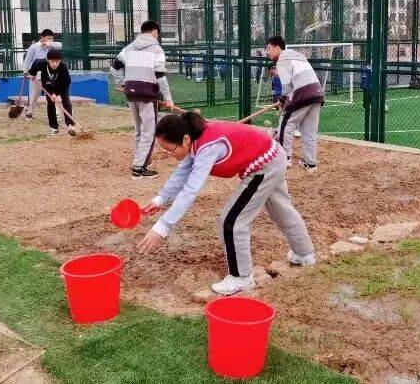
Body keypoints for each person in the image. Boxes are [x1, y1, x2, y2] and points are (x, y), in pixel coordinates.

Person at [137, 111, 316, 295]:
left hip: (264, 166)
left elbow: (191, 190)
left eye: (169, 150)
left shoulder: (208, 147)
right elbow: (183, 170)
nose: (168, 154)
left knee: (232, 221)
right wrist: (160, 199)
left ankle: (241, 278)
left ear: (185, 140)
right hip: (273, 155)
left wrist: (162, 227)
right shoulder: (194, 139)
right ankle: (304, 254)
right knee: (281, 210)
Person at [111, 20, 174, 178]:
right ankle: (139, 168)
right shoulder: (157, 49)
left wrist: (122, 83)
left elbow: (114, 68)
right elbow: (160, 75)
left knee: (139, 130)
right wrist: (168, 98)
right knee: (149, 131)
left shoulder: (129, 47)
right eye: (157, 34)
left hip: (131, 92)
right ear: (154, 32)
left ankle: (141, 161)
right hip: (147, 94)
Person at [267, 35, 323, 172]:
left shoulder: (283, 59)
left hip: (302, 92)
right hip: (316, 92)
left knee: (286, 124)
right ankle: (310, 164)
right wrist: (284, 100)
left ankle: (284, 158)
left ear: (277, 47)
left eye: (268, 49)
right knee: (309, 131)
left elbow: (287, 85)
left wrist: (283, 99)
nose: (267, 53)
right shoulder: (297, 55)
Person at [28, 49, 75, 136]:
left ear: (60, 61)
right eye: (52, 61)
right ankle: (54, 127)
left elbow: (66, 82)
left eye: (57, 61)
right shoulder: (42, 63)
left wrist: (56, 93)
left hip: (62, 85)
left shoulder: (63, 68)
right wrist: (32, 74)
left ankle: (70, 125)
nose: (55, 64)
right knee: (50, 103)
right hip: (48, 85)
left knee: (66, 101)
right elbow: (35, 63)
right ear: (48, 60)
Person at [22, 29, 62, 119]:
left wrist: (49, 43)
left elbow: (60, 45)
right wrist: (25, 71)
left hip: (49, 75)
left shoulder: (52, 46)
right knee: (34, 95)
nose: (50, 40)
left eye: (51, 39)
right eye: (48, 38)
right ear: (42, 38)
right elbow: (28, 59)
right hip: (36, 75)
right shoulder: (34, 47)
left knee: (52, 94)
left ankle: (56, 113)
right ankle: (29, 113)